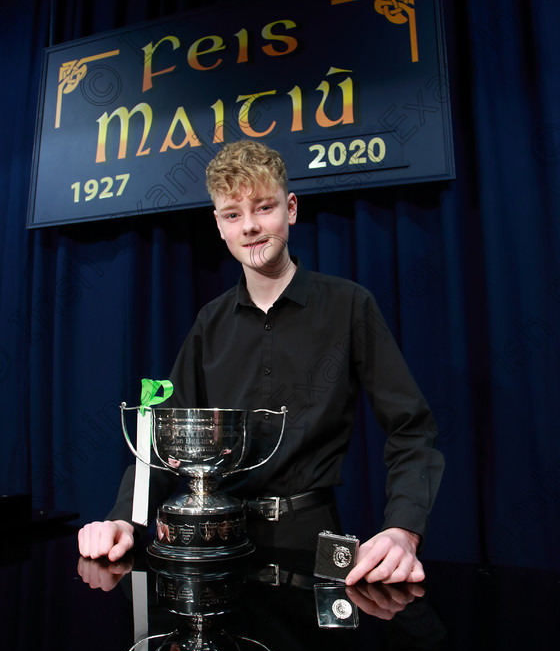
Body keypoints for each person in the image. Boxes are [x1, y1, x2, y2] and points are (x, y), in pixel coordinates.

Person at [78, 140, 444, 585]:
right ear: (219, 226)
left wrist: (403, 530)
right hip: (214, 541)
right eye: (233, 214)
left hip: (313, 538)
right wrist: (124, 520)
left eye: (264, 207)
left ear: (290, 208)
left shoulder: (349, 305)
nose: (250, 227)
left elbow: (411, 428)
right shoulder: (208, 324)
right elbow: (160, 442)